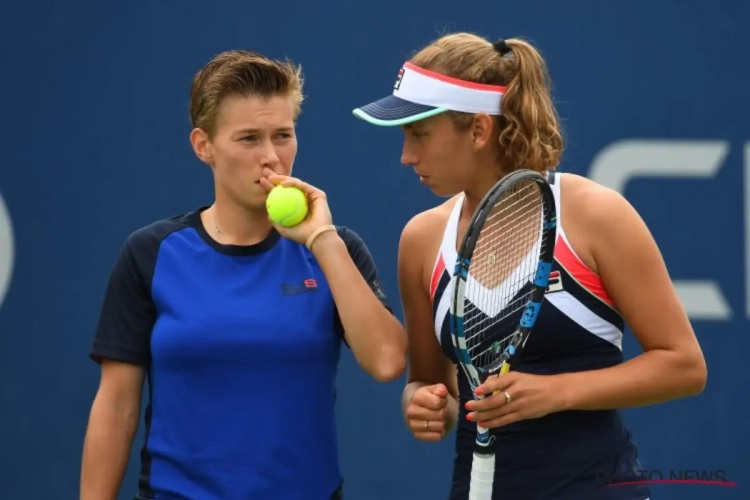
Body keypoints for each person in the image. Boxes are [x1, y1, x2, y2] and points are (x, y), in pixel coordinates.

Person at [352, 33, 707, 499]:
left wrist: (555, 393)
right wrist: (422, 404)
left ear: (479, 131)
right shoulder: (420, 241)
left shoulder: (597, 216)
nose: (406, 155)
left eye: (419, 134)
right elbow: (432, 381)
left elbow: (684, 366)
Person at [80, 49, 407, 500]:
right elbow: (116, 406)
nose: (271, 157)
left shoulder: (337, 249)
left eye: (283, 135)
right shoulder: (150, 253)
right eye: (249, 139)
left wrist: (322, 240)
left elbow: (388, 361)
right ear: (204, 146)